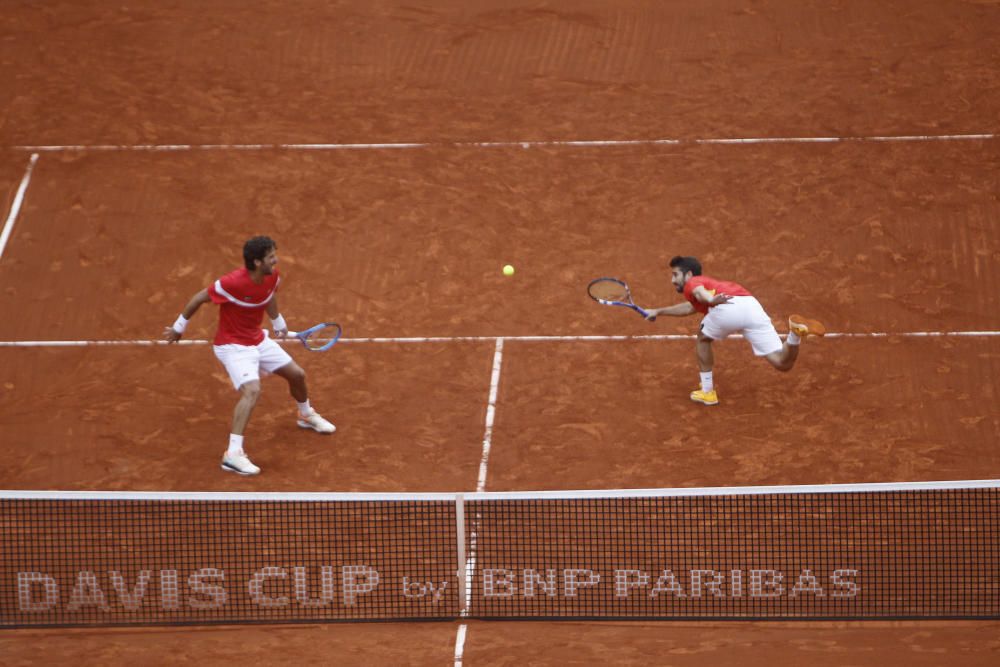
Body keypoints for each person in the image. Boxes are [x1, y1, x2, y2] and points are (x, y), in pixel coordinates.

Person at [163, 236, 335, 475]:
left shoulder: (271, 275)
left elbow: (269, 294)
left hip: (257, 339)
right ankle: (232, 454)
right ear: (256, 262)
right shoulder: (231, 283)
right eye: (270, 257)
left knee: (297, 375)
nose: (275, 260)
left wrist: (277, 321)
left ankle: (306, 415)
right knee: (252, 391)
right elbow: (199, 297)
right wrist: (178, 327)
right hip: (232, 346)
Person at [644, 256, 825, 406]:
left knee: (703, 339)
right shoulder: (706, 285)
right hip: (751, 305)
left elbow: (701, 294)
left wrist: (711, 300)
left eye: (675, 274)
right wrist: (659, 311)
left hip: (726, 306)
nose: (673, 280)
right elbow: (690, 307)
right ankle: (794, 334)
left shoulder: (693, 282)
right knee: (782, 363)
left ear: (688, 274)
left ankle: (707, 392)